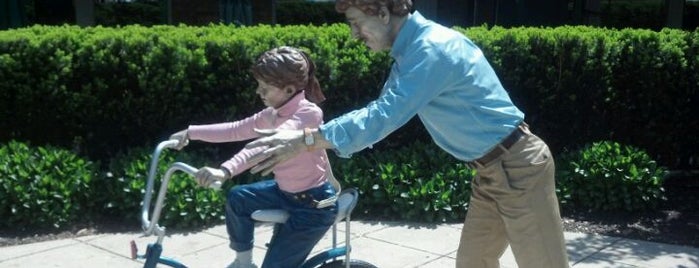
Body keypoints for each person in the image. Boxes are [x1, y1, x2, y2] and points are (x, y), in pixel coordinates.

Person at [243, 1, 570, 268]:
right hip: (491, 171)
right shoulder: (411, 52)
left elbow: (384, 116)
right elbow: (379, 113)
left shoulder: (431, 50)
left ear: (383, 13)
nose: (355, 34)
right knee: (474, 262)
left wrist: (306, 139)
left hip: (518, 167)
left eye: (357, 23)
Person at [169, 46, 338, 268]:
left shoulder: (308, 114)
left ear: (288, 90)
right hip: (284, 193)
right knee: (238, 198)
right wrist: (191, 132)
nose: (259, 92)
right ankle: (243, 262)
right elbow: (234, 129)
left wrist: (225, 170)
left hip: (313, 206)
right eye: (259, 86)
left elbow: (267, 144)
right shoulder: (271, 115)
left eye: (265, 88)